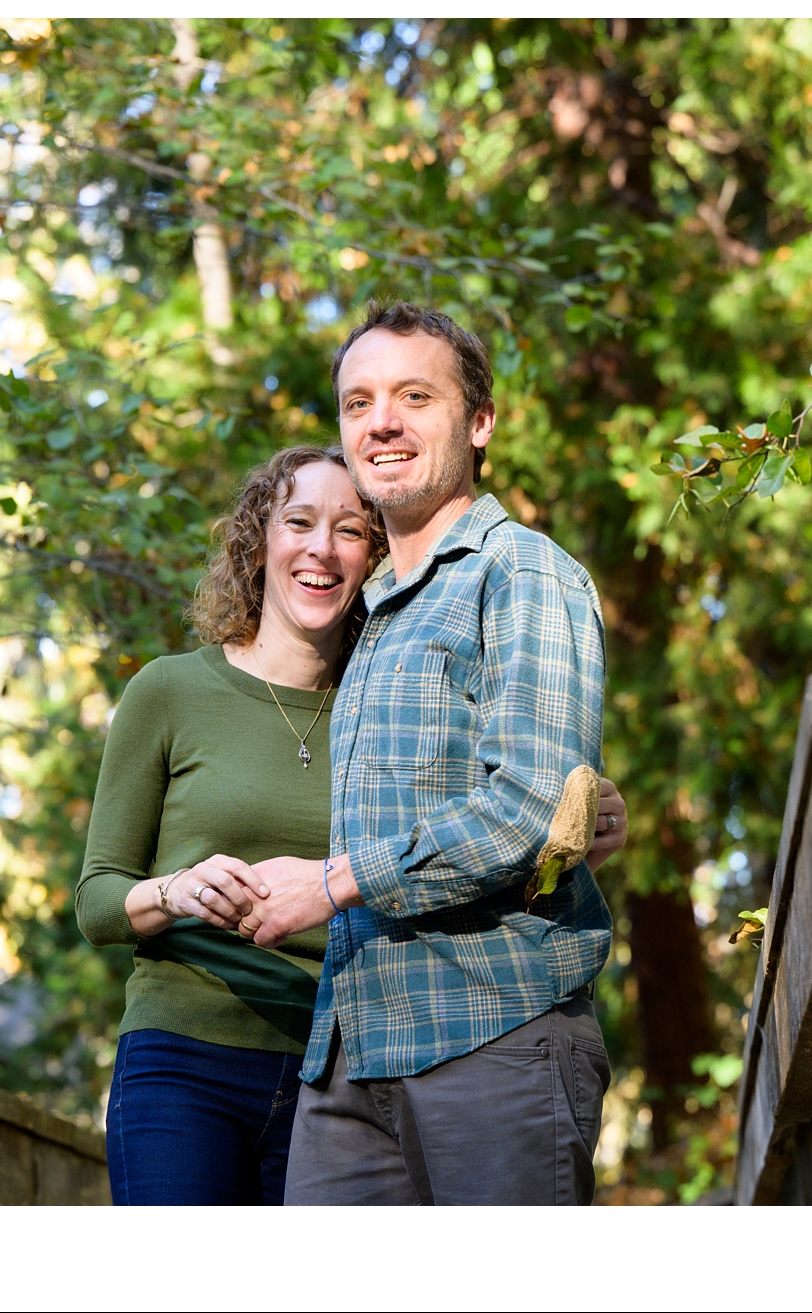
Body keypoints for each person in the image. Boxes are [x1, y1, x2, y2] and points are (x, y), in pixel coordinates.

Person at [76, 442, 625, 1205]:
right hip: (184, 1059)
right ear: (258, 540)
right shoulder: (169, 691)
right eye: (298, 521)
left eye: (350, 530)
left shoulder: (388, 707)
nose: (321, 549)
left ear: (376, 557)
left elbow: (492, 809)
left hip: (336, 1065)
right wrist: (175, 891)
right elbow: (97, 899)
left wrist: (575, 808)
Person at [243, 302, 618, 1205]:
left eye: (416, 396)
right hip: (350, 1051)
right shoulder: (364, 614)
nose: (382, 422)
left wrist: (329, 883)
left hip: (492, 1031)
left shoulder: (519, 572)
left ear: (479, 421)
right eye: (358, 401)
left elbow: (529, 806)